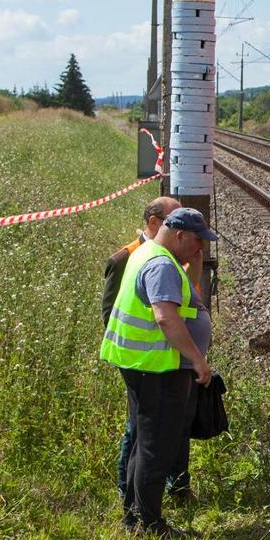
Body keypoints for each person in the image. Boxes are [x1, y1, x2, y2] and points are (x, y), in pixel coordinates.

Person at [100, 207, 216, 537]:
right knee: (155, 448)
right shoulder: (161, 264)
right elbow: (166, 317)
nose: (200, 249)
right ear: (179, 235)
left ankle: (135, 516)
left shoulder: (148, 251)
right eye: (197, 241)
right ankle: (151, 525)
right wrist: (197, 359)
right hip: (156, 368)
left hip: (142, 365)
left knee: (143, 443)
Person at [103, 197, 193, 508]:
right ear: (156, 224)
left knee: (151, 438)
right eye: (174, 220)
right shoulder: (138, 259)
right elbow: (160, 316)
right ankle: (141, 513)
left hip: (154, 362)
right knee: (144, 439)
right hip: (147, 363)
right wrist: (195, 357)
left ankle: (142, 507)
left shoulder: (158, 256)